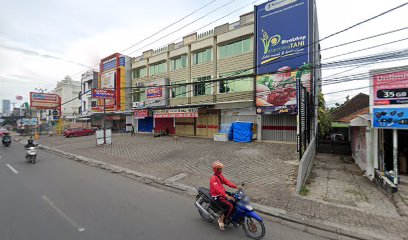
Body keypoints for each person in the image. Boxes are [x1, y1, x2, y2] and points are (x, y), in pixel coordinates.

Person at [209, 160, 238, 230]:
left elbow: (226, 182)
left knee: (235, 198)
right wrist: (226, 196)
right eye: (220, 169)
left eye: (221, 168)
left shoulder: (219, 175)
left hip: (222, 193)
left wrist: (236, 186)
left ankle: (231, 216)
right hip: (217, 196)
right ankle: (221, 220)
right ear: (216, 170)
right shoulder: (213, 179)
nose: (221, 170)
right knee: (230, 206)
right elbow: (218, 189)